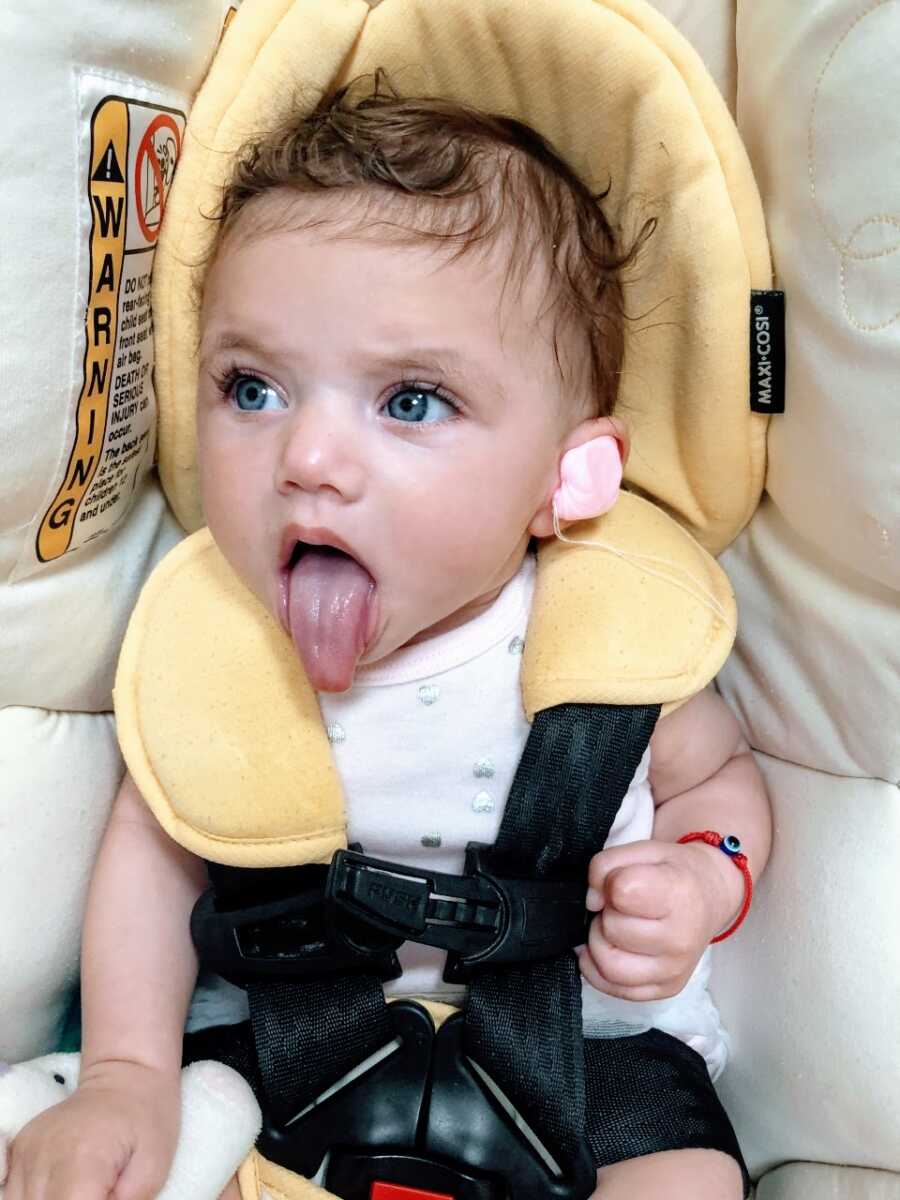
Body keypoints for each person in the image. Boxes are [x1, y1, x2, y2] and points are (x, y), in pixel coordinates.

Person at [6, 81, 771, 1200]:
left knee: (690, 1180)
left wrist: (706, 883)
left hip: (586, 1059)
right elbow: (156, 857)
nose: (307, 457)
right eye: (251, 387)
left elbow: (721, 783)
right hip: (280, 1052)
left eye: (411, 401)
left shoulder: (607, 641)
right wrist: (128, 1072)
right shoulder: (215, 646)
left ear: (572, 474)